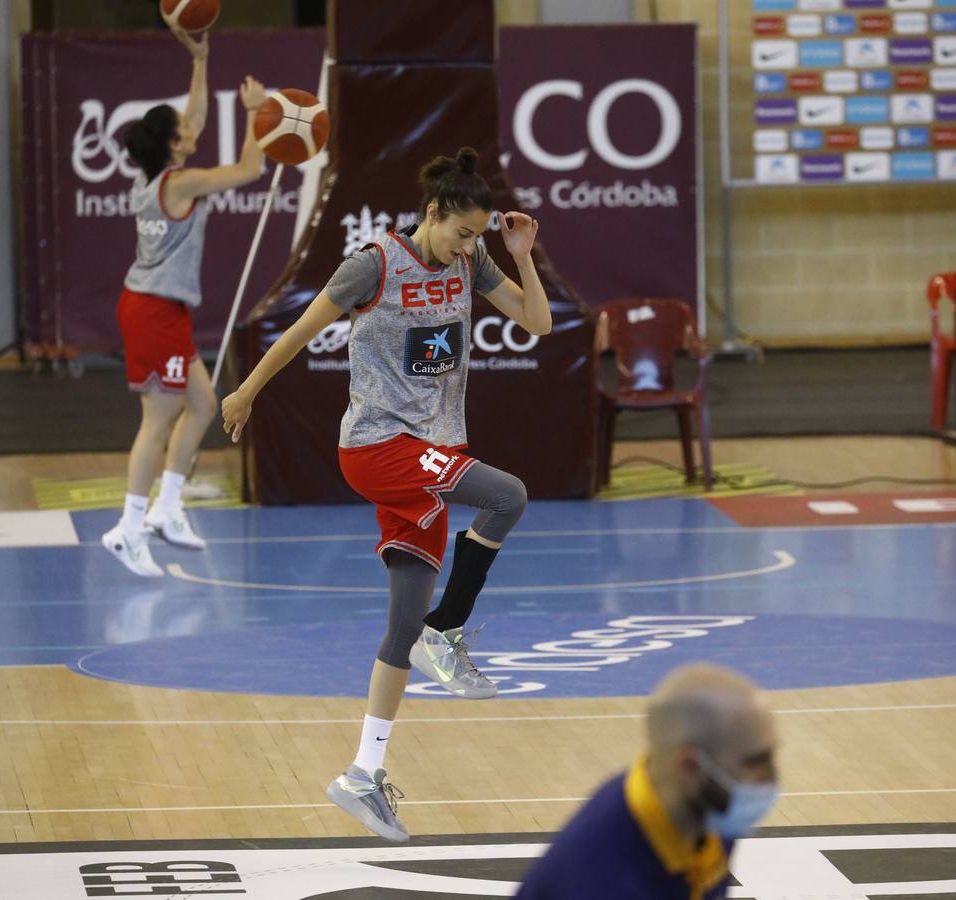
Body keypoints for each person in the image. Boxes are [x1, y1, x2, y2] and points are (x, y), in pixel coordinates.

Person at [220, 146, 551, 841]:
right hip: (377, 446)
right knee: (508, 495)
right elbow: (299, 328)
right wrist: (247, 391)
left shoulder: (472, 261)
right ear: (433, 213)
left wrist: (520, 254)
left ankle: (362, 775)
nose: (470, 246)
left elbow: (538, 324)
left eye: (480, 237)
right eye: (463, 232)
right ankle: (449, 629)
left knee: (401, 625)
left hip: (430, 453)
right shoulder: (373, 263)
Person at [100, 25, 268, 577]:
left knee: (202, 404)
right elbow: (248, 171)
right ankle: (128, 528)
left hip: (155, 308)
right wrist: (257, 116)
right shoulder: (181, 184)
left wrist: (201, 59)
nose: (191, 127)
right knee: (160, 417)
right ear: (173, 144)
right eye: (183, 130)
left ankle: (168, 508)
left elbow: (192, 117)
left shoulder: (153, 178)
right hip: (153, 312)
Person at [516, 664, 778, 900]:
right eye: (756, 762)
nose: (771, 779)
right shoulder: (603, 883)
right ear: (690, 768)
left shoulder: (706, 808)